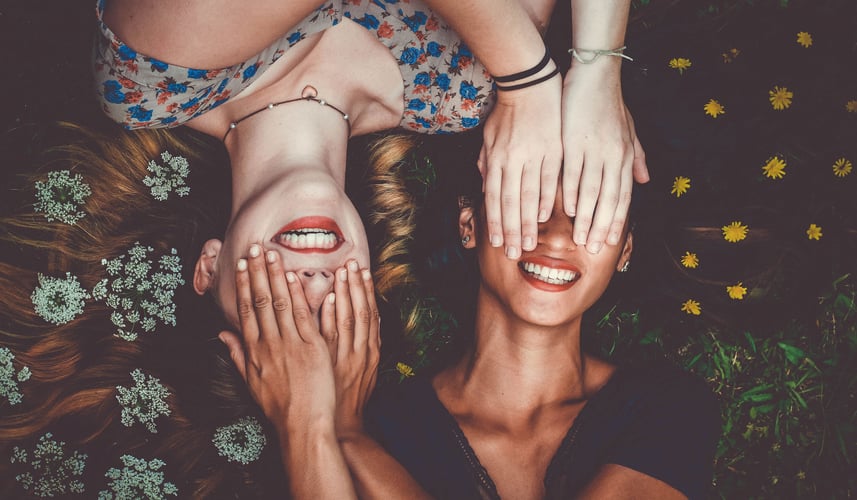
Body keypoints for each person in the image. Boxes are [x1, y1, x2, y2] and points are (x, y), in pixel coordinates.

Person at [95, 0, 650, 331]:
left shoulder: (152, 79)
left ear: (210, 268)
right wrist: (599, 72)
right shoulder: (456, 92)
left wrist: (530, 81)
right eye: (336, 318)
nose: (313, 286)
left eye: (276, 310)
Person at [221, 135, 721, 499]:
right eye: (529, 198)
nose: (558, 234)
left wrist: (331, 434)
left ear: (625, 248)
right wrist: (322, 429)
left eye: (593, 211)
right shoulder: (388, 426)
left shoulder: (669, 409)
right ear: (469, 224)